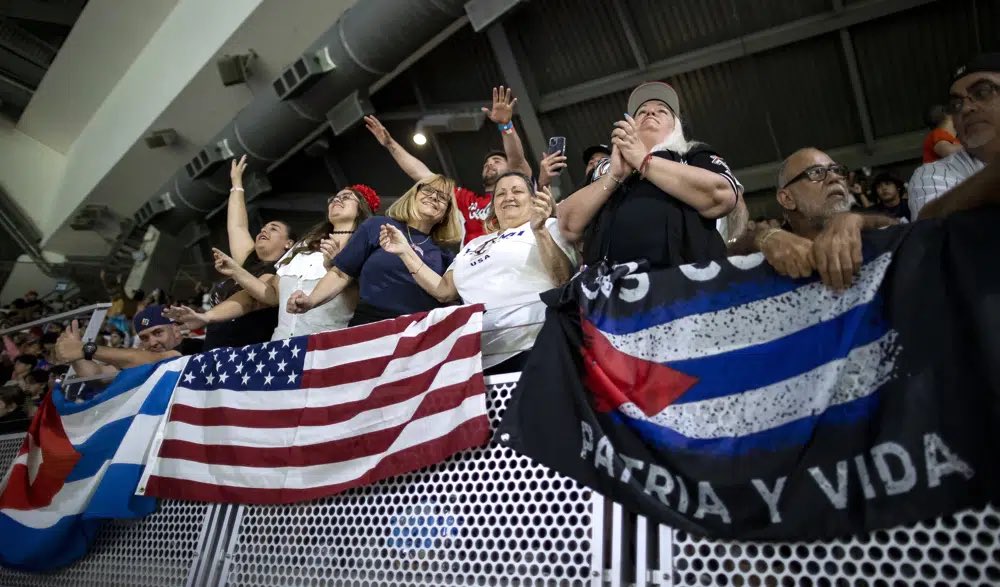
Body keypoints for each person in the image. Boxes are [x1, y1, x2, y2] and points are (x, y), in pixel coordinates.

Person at [378, 172, 577, 372]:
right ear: (493, 206)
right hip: (478, 358)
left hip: (536, 345)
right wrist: (405, 251)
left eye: (517, 191)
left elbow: (562, 279)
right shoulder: (474, 244)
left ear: (533, 200)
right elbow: (444, 290)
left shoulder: (550, 227)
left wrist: (539, 230)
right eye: (500, 194)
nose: (508, 197)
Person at [558, 81, 741, 269]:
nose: (650, 113)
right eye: (642, 111)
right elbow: (567, 224)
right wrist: (614, 176)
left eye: (662, 110)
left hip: (683, 282)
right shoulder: (605, 167)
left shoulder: (692, 153)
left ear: (675, 126)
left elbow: (721, 196)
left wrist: (643, 161)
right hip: (609, 288)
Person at [169, 184, 380, 340]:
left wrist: (337, 266)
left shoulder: (366, 247)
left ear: (362, 207)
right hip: (279, 349)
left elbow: (366, 299)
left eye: (347, 197)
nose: (337, 199)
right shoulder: (303, 247)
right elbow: (270, 296)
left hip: (325, 352)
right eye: (335, 196)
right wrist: (235, 273)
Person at [364, 86, 532, 244]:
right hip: (475, 265)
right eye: (486, 163)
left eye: (497, 161)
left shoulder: (519, 190)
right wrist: (390, 144)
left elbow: (517, 160)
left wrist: (505, 125)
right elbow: (423, 175)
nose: (489, 165)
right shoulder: (468, 200)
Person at [287, 175, 464, 326]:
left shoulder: (447, 254)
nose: (434, 197)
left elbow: (449, 297)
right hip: (369, 324)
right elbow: (341, 273)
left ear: (446, 214)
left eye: (442, 197)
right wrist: (311, 301)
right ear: (413, 195)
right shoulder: (377, 226)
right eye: (427, 190)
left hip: (418, 332)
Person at [728, 148, 900, 290]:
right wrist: (762, 237)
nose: (834, 178)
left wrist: (856, 220)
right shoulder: (774, 257)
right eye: (816, 173)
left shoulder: (865, 231)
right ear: (787, 199)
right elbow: (718, 260)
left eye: (836, 170)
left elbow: (902, 231)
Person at [197, 156, 297, 349]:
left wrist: (235, 271)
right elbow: (237, 226)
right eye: (263, 228)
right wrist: (236, 185)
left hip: (246, 355)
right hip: (214, 348)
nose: (264, 230)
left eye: (273, 228)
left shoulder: (283, 271)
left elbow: (263, 293)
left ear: (289, 243)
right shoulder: (247, 261)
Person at [909, 53, 999, 220]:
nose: (965, 108)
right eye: (956, 104)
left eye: (982, 92)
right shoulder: (933, 173)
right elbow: (931, 232)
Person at [53, 305, 204, 379]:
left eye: (158, 333)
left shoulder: (193, 347)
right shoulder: (139, 360)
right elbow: (98, 374)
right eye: (144, 338)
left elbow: (155, 360)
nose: (152, 342)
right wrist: (74, 355)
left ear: (176, 330)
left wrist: (85, 349)